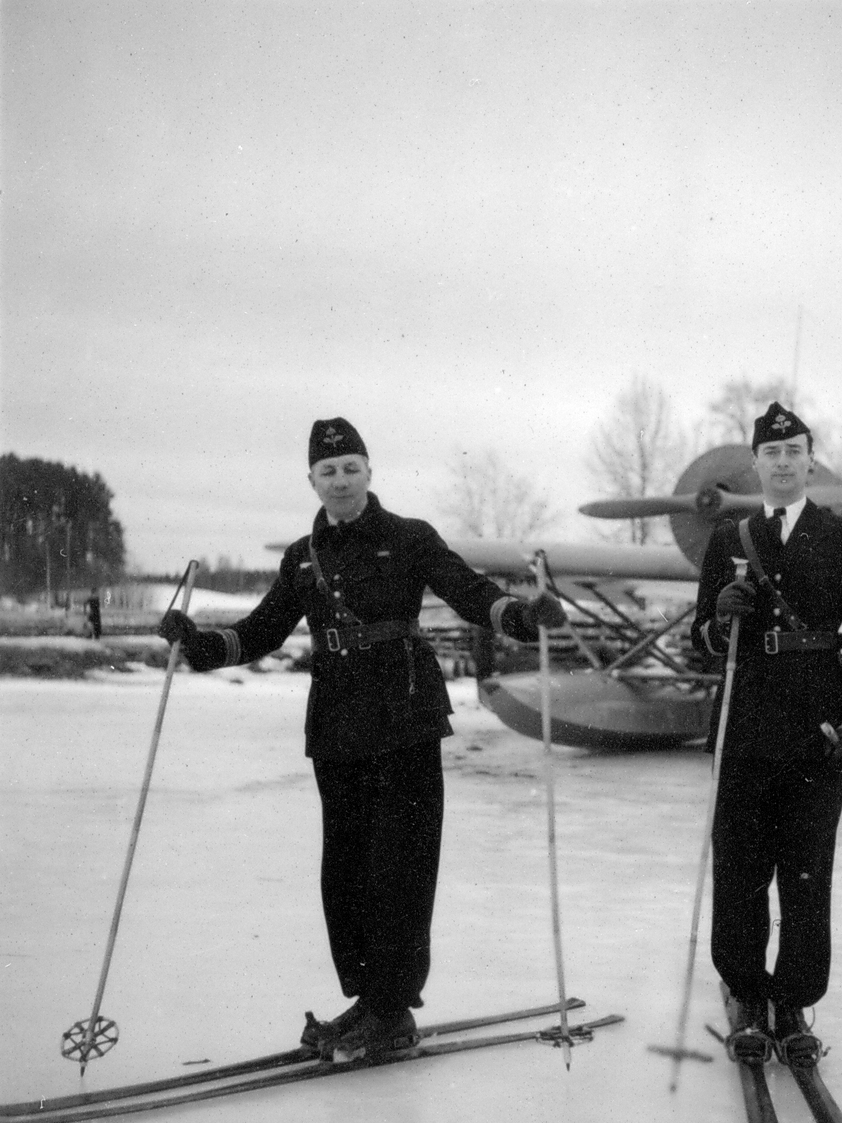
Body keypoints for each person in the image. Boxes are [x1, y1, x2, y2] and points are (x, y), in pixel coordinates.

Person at [158, 418, 565, 1063]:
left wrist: (518, 615)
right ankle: (369, 1000)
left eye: (351, 467)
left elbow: (468, 590)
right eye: (328, 471)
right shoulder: (301, 556)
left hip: (402, 711)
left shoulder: (410, 537)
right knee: (345, 869)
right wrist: (200, 644)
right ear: (312, 481)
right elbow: (262, 629)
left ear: (370, 472)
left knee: (400, 865)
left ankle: (392, 1007)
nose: (341, 480)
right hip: (337, 719)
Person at [690, 401, 842, 1066]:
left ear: (810, 459)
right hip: (743, 723)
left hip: (816, 723)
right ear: (756, 463)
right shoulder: (728, 539)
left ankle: (795, 999)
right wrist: (721, 618)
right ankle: (746, 996)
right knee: (741, 868)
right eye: (770, 454)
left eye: (793, 452)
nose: (781, 463)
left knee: (806, 873)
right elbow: (702, 642)